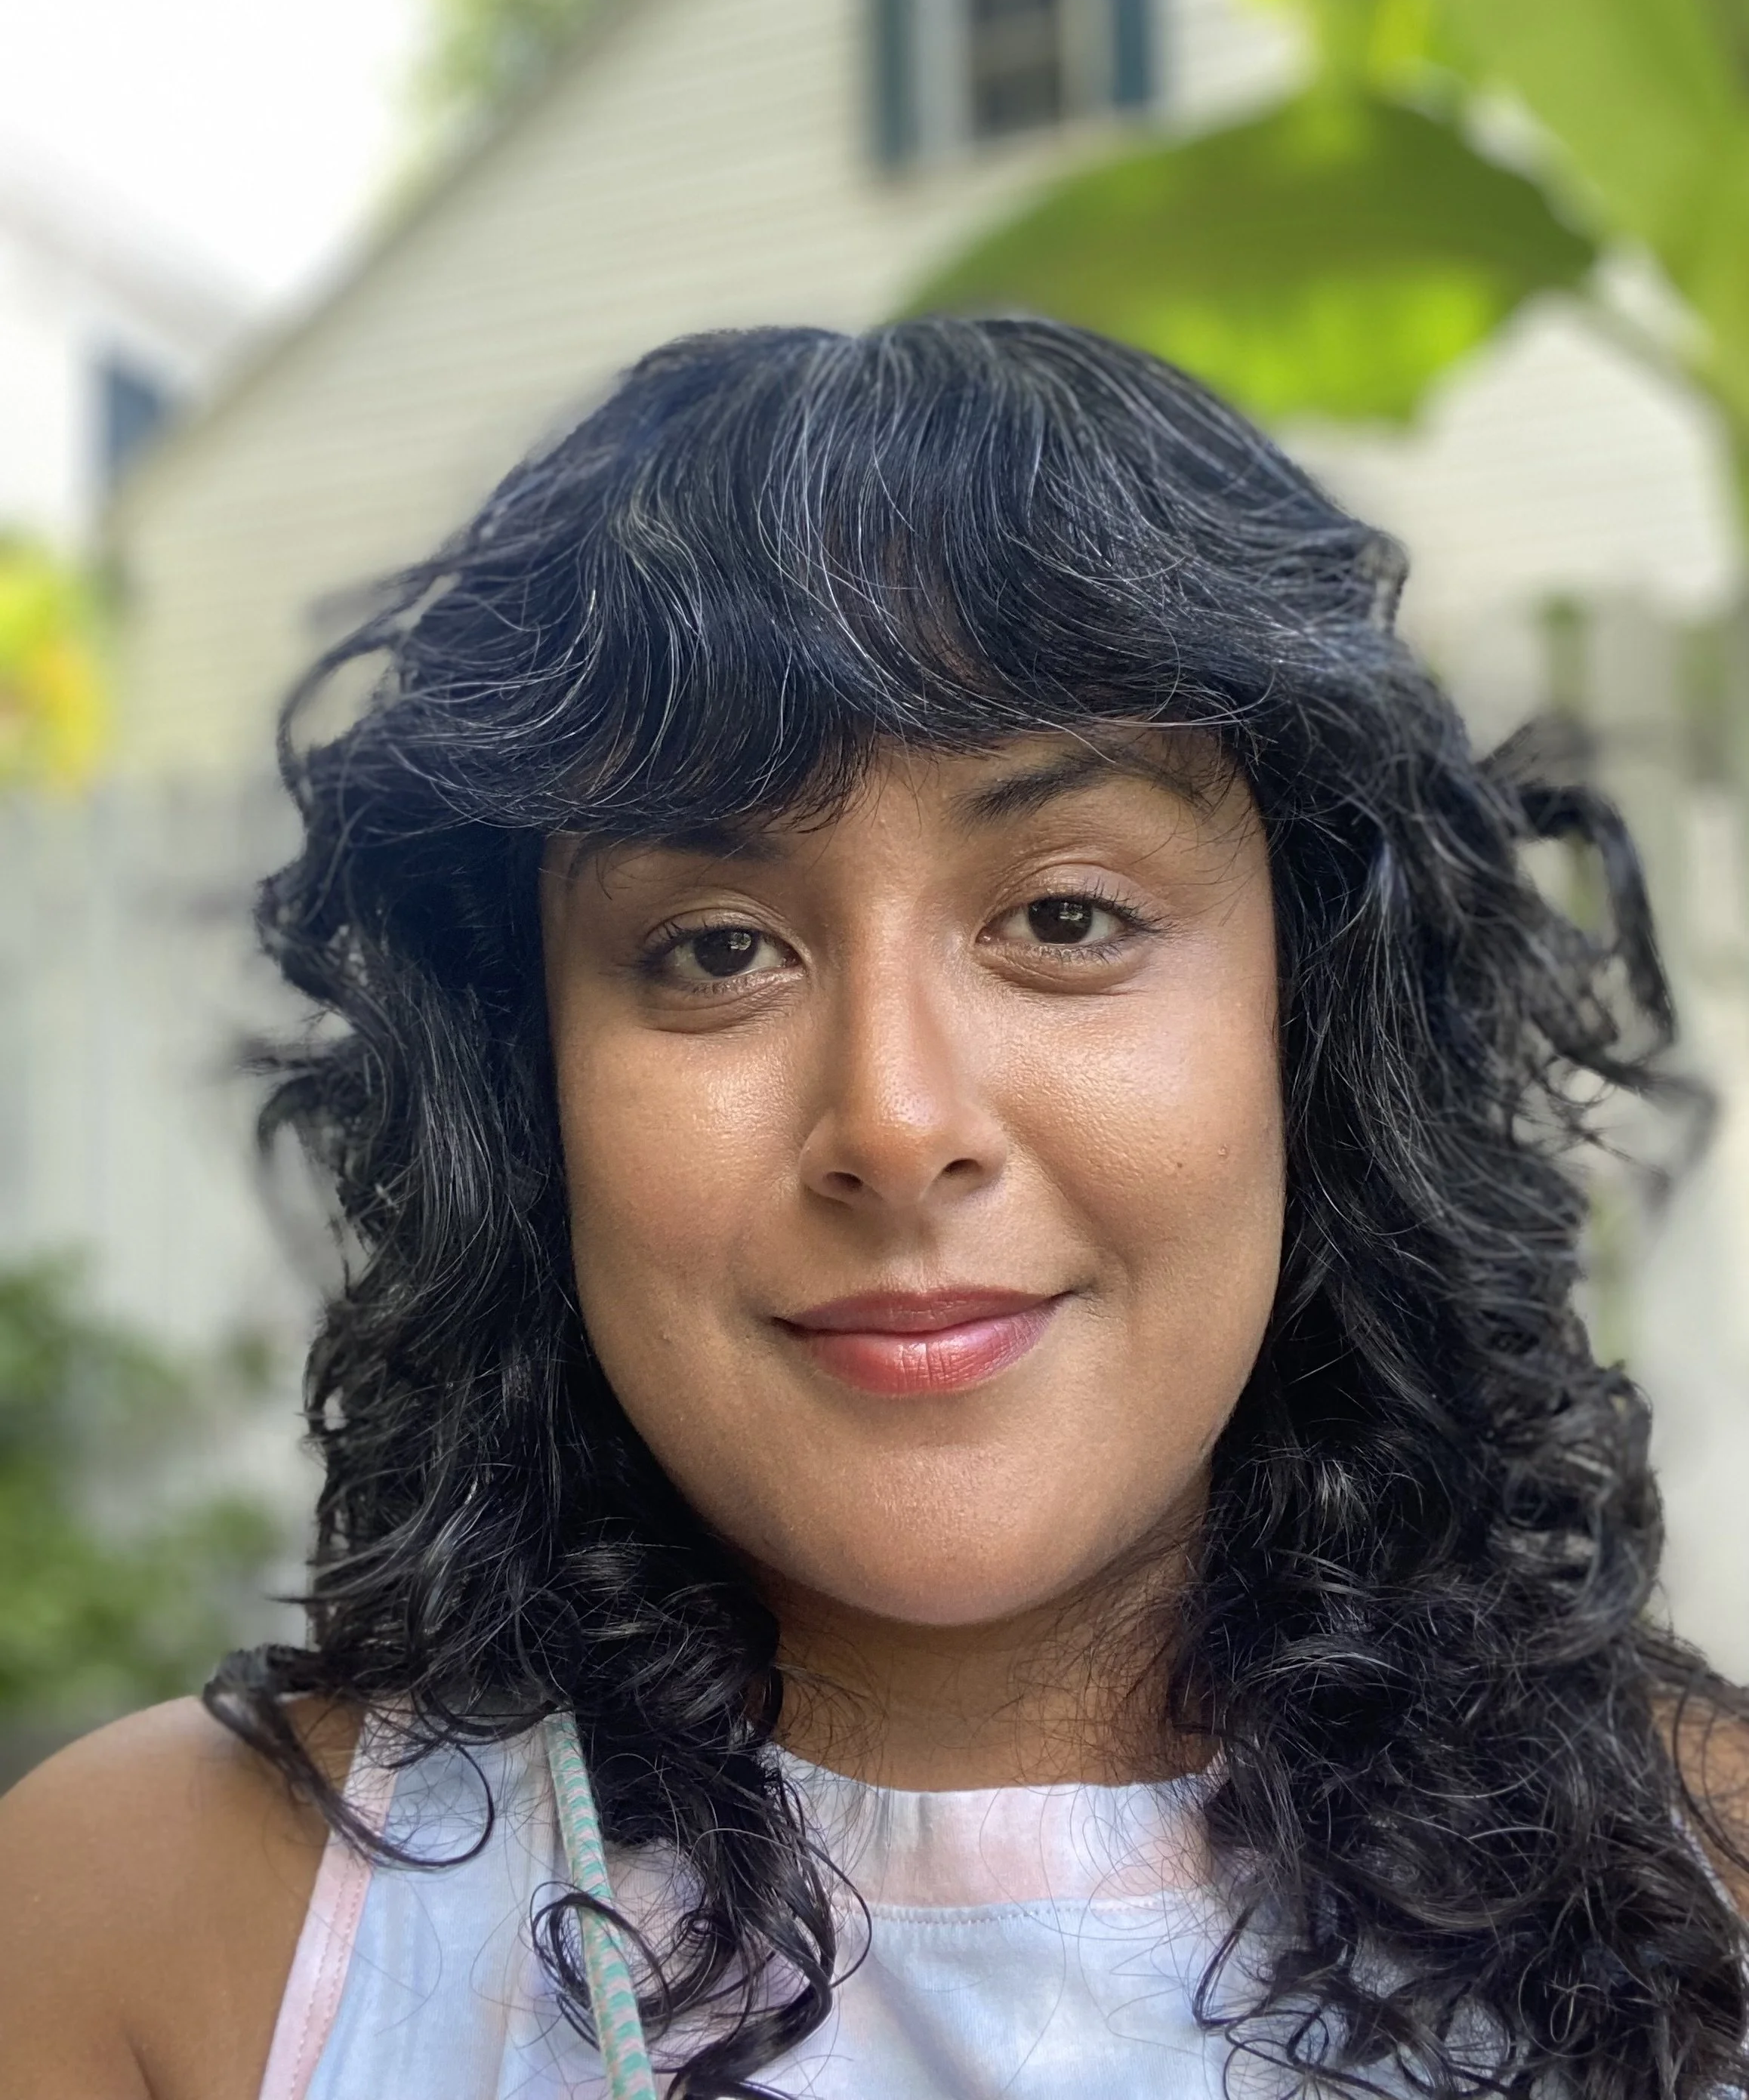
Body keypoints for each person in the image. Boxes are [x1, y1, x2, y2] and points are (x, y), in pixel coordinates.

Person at [1, 319, 1744, 2100]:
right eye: (716, 948)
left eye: (1065, 917)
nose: (898, 1124)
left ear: (1312, 1025)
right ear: (528, 1087)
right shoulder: (144, 1942)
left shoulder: (1719, 1899)